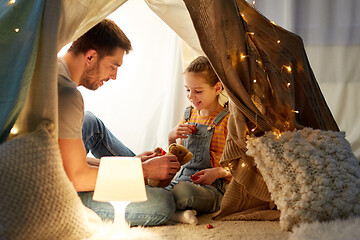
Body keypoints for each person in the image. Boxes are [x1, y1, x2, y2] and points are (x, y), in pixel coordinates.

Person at [57, 19, 180, 226]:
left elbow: (67, 159)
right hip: (54, 193)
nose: (114, 76)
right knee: (163, 203)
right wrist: (145, 171)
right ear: (90, 56)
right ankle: (146, 180)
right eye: (113, 66)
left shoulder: (54, 69)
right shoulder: (67, 94)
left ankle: (139, 174)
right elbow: (75, 176)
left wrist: (132, 165)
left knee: (90, 122)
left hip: (53, 167)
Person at [167, 56, 231, 224]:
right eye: (188, 89)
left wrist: (218, 172)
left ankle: (174, 211)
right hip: (183, 178)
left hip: (213, 188)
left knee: (182, 193)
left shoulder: (227, 121)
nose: (191, 96)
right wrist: (171, 136)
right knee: (151, 187)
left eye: (198, 91)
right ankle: (181, 214)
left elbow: (239, 165)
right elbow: (178, 159)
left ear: (217, 88)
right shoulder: (188, 115)